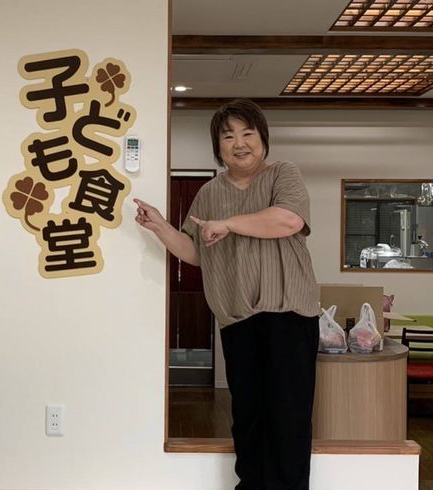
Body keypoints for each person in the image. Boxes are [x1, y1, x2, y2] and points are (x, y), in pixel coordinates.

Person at [135, 99, 319, 490]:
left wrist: (229, 224)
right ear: (217, 147)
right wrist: (160, 226)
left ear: (263, 139)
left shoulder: (283, 173)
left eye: (248, 133)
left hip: (288, 314)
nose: (239, 143)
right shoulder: (209, 192)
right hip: (237, 318)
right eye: (228, 136)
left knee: (288, 415)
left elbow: (288, 220)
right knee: (247, 415)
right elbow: (195, 252)